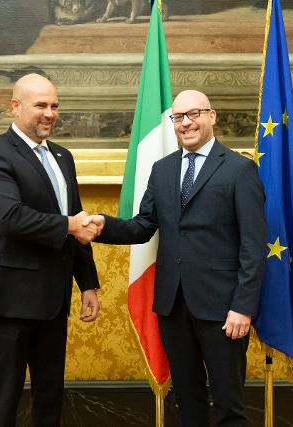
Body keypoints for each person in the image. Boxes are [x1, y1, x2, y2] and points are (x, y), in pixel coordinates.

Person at [84, 90, 266, 426]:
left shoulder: (240, 170)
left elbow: (254, 247)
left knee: (229, 406)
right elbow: (142, 226)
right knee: (187, 402)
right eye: (178, 117)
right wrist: (102, 226)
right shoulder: (162, 169)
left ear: (212, 116)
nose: (186, 123)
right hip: (172, 306)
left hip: (223, 310)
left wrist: (243, 306)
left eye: (193, 114)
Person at [0, 73, 101, 427]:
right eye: (40, 105)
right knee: (4, 401)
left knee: (50, 399)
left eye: (54, 106)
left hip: (53, 301)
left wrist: (87, 284)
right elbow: (9, 218)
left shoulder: (62, 156)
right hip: (9, 300)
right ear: (15, 107)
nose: (50, 114)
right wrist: (70, 225)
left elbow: (76, 219)